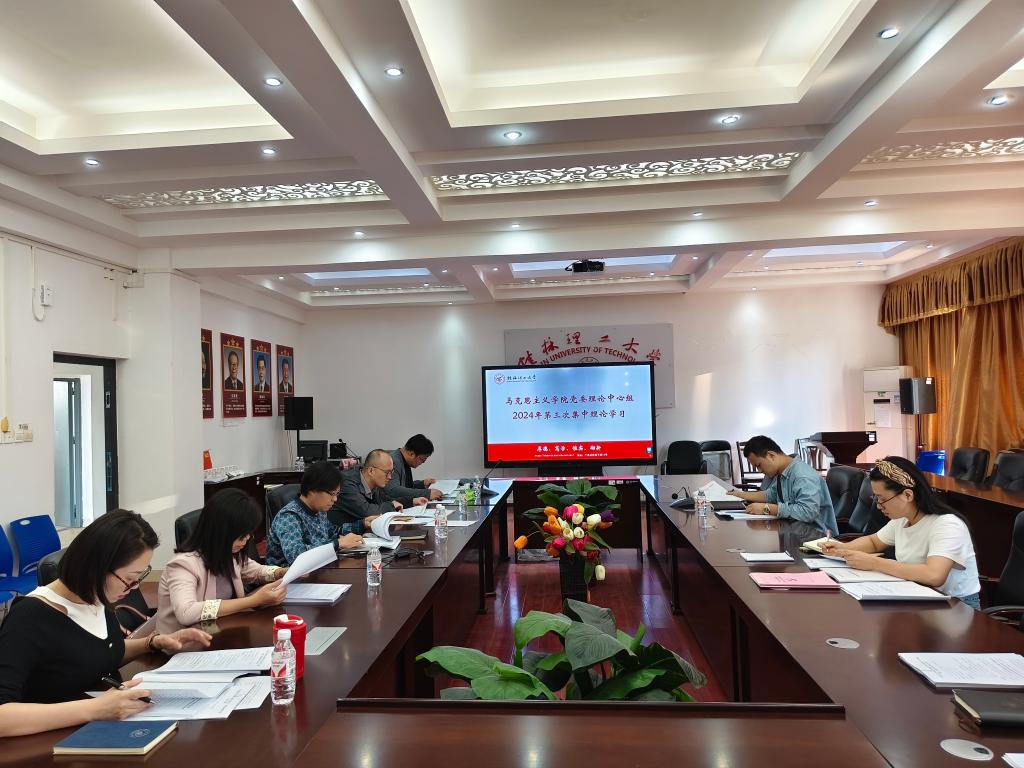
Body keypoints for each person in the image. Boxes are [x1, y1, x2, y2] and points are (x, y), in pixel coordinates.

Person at [0, 510, 211, 738]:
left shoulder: (95, 597)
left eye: (139, 579)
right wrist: (95, 709)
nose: (132, 588)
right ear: (97, 566)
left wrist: (152, 643)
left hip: (95, 730)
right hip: (48, 742)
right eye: (128, 579)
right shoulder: (30, 617)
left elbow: (97, 652)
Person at [820, 456, 981, 608]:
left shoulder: (947, 525)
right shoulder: (902, 520)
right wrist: (842, 549)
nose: (878, 506)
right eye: (876, 499)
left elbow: (934, 575)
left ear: (908, 495)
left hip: (955, 606)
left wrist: (874, 563)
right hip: (920, 597)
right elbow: (874, 542)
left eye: (883, 499)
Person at [156, 489, 287, 633]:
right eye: (242, 534)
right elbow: (186, 613)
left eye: (249, 533)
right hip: (184, 642)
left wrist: (282, 572)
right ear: (221, 531)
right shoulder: (183, 565)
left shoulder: (227, 553)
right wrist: (254, 600)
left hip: (222, 631)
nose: (247, 538)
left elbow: (256, 571)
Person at [265, 461, 373, 566]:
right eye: (332, 493)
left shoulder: (319, 511)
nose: (335, 499)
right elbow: (296, 556)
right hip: (287, 575)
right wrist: (337, 544)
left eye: (337, 494)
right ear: (312, 489)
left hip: (317, 569)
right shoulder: (289, 517)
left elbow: (332, 532)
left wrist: (362, 524)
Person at [728, 435, 838, 533]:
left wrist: (767, 509)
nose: (759, 470)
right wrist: (739, 495)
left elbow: (807, 512)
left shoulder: (802, 475)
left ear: (771, 455)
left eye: (759, 465)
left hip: (816, 538)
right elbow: (770, 495)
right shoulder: (783, 472)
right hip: (794, 531)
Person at [331, 449, 409, 529]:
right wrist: (391, 506)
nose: (390, 477)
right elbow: (366, 511)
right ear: (371, 471)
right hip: (340, 533)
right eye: (387, 473)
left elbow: (385, 500)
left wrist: (410, 501)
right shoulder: (347, 484)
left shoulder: (374, 482)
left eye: (391, 472)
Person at [384, 434, 442, 505]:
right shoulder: (392, 461)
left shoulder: (403, 459)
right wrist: (427, 493)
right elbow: (393, 490)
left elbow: (406, 487)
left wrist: (422, 484)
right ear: (411, 454)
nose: (423, 462)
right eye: (422, 459)